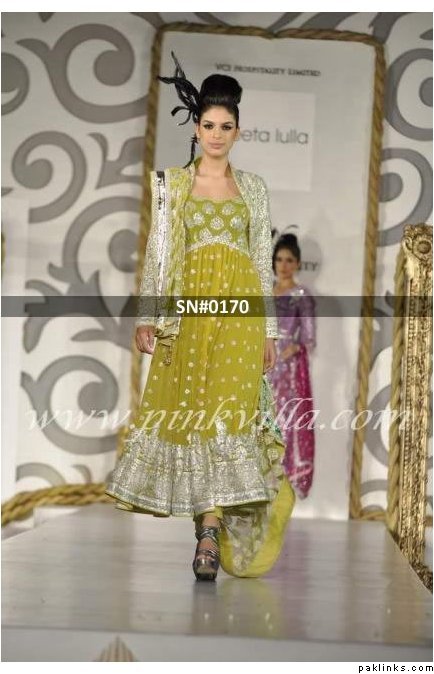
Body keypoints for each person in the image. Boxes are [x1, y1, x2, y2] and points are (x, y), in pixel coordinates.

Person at [105, 52, 295, 581]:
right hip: (188, 316)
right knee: (193, 416)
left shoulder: (253, 188)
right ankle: (204, 526)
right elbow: (158, 253)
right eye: (208, 125)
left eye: (225, 127)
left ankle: (210, 534)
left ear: (238, 131)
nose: (216, 135)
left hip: (239, 319)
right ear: (195, 127)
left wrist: (269, 330)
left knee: (225, 418)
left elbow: (260, 262)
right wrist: (147, 316)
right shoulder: (172, 184)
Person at [266, 234, 316, 498]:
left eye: (288, 260)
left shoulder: (301, 295)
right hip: (262, 365)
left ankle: (282, 486)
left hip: (287, 370)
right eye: (279, 259)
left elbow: (309, 337)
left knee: (285, 421)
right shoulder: (265, 293)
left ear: (297, 263)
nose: (283, 265)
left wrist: (291, 349)